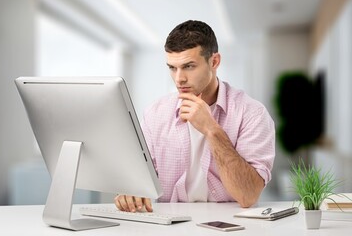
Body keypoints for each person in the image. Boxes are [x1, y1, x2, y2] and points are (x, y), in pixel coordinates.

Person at [114, 20, 275, 212]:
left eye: (189, 66)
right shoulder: (155, 114)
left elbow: (248, 196)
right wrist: (131, 192)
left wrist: (211, 129)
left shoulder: (252, 113)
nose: (179, 78)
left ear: (214, 62)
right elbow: (140, 181)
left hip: (231, 225)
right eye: (172, 68)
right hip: (171, 225)